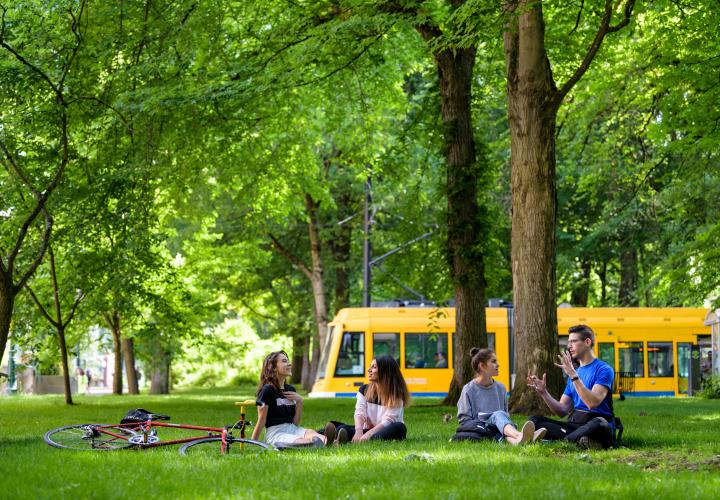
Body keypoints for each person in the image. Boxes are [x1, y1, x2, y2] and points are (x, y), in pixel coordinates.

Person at [527, 324, 616, 449]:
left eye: (573, 341)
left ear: (587, 342)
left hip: (597, 425)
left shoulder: (604, 369)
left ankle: (559, 441)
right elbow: (562, 410)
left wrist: (574, 375)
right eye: (569, 342)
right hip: (576, 425)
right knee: (535, 420)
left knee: (599, 423)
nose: (569, 346)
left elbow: (592, 403)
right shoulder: (574, 373)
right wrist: (544, 393)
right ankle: (578, 440)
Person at [457, 348, 542, 445]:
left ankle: (520, 441)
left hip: (500, 427)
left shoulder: (501, 388)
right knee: (497, 415)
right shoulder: (468, 389)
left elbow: (505, 414)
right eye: (493, 361)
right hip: (480, 428)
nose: (498, 364)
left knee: (499, 417)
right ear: (482, 366)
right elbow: (464, 420)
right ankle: (520, 435)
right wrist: (484, 423)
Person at [251, 351, 334, 448]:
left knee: (311, 433)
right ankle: (314, 444)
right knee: (304, 440)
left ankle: (331, 441)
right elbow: (261, 420)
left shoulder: (291, 390)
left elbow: (295, 423)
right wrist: (253, 442)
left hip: (292, 428)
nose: (289, 364)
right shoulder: (267, 390)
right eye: (284, 361)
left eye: (288, 361)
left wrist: (300, 402)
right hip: (276, 433)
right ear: (273, 367)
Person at [324, 356, 410, 444]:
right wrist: (358, 431)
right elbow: (360, 412)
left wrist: (368, 435)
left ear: (385, 372)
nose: (369, 370)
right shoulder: (364, 390)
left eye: (374, 367)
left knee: (399, 427)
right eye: (370, 366)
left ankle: (351, 439)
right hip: (367, 430)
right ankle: (343, 439)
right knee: (342, 428)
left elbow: (388, 421)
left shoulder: (396, 394)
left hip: (386, 430)